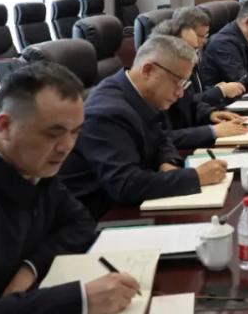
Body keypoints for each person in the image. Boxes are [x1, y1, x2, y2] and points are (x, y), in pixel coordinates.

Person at [0, 63, 140, 314]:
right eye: (53, 133)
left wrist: (30, 267)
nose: (66, 147)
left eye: (75, 132)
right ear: (4, 126)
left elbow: (79, 223)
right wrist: (81, 300)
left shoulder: (31, 162)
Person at [61, 36, 230, 218]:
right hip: (103, 216)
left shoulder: (141, 95)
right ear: (148, 70)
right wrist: (196, 177)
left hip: (136, 203)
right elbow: (125, 185)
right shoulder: (106, 112)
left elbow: (162, 137)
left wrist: (168, 162)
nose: (181, 93)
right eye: (178, 82)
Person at [151, 17, 248, 149]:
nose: (195, 57)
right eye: (190, 50)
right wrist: (211, 131)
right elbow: (160, 139)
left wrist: (210, 114)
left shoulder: (181, 70)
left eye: (196, 51)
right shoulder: (152, 86)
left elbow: (190, 103)